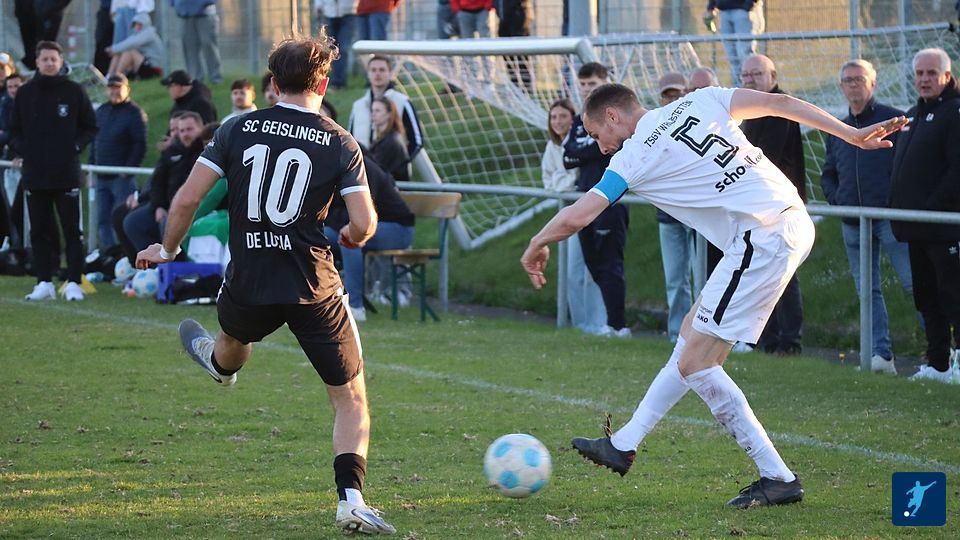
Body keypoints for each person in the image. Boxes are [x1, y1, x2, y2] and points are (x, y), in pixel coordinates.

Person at [521, 82, 905, 507]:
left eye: (597, 134)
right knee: (691, 333)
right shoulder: (700, 99)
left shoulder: (633, 156)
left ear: (613, 115)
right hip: (785, 220)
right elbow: (779, 103)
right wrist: (851, 134)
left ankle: (777, 477)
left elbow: (578, 215)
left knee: (698, 364)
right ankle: (624, 443)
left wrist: (537, 242)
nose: (600, 145)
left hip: (762, 234)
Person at [135, 33, 396, 535]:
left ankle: (218, 365)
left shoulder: (236, 127)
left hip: (249, 277)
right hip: (313, 286)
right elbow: (364, 223)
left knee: (233, 344)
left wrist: (166, 251)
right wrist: (354, 234)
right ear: (324, 84)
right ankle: (351, 500)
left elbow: (187, 199)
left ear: (273, 84)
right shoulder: (341, 141)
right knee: (349, 397)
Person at [820, 59, 913, 375]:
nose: (853, 85)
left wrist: (894, 201)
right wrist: (839, 200)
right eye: (847, 80)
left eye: (859, 78)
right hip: (853, 223)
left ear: (873, 83)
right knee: (867, 291)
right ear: (841, 87)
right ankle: (880, 356)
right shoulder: (838, 129)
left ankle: (942, 356)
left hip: (889, 219)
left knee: (914, 283)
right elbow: (829, 173)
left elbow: (908, 165)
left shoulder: (893, 120)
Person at [889, 48, 960, 384]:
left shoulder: (955, 112)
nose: (924, 79)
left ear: (947, 75)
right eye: (919, 73)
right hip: (915, 229)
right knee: (927, 298)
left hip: (945, 228)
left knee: (954, 296)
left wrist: (931, 208)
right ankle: (938, 365)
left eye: (932, 73)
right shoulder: (912, 115)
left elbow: (956, 171)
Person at [9, 41, 98, 301]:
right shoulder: (25, 93)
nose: (49, 63)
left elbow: (90, 126)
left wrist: (75, 146)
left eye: (53, 59)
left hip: (65, 173)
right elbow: (13, 130)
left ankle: (74, 282)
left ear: (60, 62)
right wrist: (23, 149)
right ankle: (44, 282)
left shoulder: (73, 91)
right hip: (35, 174)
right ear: (37, 62)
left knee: (72, 231)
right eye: (45, 59)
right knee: (39, 231)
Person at [740, 54, 806, 355]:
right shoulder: (751, 110)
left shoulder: (779, 107)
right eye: (745, 75)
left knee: (783, 276)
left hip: (780, 207)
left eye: (756, 74)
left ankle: (789, 342)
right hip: (759, 207)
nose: (750, 80)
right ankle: (766, 339)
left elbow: (762, 158)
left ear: (773, 76)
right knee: (761, 274)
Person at [563, 62, 630, 338]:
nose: (586, 89)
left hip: (609, 202)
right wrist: (586, 149)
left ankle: (618, 325)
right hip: (584, 200)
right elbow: (568, 156)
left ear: (605, 82)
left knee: (609, 265)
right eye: (583, 84)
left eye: (592, 83)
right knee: (591, 265)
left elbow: (602, 150)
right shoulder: (579, 119)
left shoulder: (614, 117)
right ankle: (600, 324)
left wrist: (584, 149)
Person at [543, 98, 606, 335]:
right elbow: (549, 180)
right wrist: (564, 184)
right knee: (572, 272)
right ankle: (580, 325)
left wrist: (567, 183)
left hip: (587, 210)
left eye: (563, 116)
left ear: (574, 119)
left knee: (592, 269)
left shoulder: (582, 143)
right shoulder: (552, 148)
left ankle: (597, 324)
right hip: (566, 212)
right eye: (553, 117)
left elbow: (580, 178)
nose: (558, 121)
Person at [656, 72, 703, 343]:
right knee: (674, 279)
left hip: (697, 214)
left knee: (702, 279)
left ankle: (701, 336)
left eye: (677, 94)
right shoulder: (653, 128)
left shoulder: (699, 122)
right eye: (668, 95)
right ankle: (678, 336)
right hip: (668, 215)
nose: (673, 99)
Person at [123, 112, 204, 254]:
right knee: (132, 222)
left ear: (200, 128)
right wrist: (159, 206)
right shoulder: (172, 151)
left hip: (191, 207)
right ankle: (149, 263)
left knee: (168, 224)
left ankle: (172, 264)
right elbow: (157, 182)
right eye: (182, 131)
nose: (185, 134)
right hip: (167, 205)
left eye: (189, 130)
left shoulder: (206, 153)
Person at [89, 73, 148, 249]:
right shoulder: (101, 111)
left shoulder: (134, 113)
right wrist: (91, 168)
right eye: (111, 87)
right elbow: (94, 142)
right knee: (102, 219)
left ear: (126, 89)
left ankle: (124, 254)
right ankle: (109, 253)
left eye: (118, 87)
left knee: (121, 218)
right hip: (100, 175)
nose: (114, 91)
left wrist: (128, 169)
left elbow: (140, 144)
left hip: (122, 178)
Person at [348, 55, 424, 159]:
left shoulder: (403, 102)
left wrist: (400, 164)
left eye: (382, 70)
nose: (377, 73)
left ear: (391, 74)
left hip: (392, 169)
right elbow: (349, 140)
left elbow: (417, 142)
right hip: (362, 168)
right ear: (368, 74)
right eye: (373, 70)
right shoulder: (358, 106)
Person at [705, 0, 765, 86]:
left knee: (745, 54)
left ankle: (753, 86)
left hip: (744, 11)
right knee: (732, 57)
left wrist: (747, 6)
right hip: (724, 11)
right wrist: (711, 6)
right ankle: (738, 87)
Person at [171, 0, 223, 84]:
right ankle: (195, 79)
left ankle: (215, 78)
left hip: (206, 13)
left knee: (209, 46)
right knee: (190, 48)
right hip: (185, 14)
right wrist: (176, 3)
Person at [14, 0, 73, 71]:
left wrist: (52, 7)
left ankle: (29, 65)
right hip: (26, 10)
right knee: (30, 43)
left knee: (45, 44)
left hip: (48, 12)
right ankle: (30, 67)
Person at [106, 12, 164, 79]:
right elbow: (128, 42)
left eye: (139, 24)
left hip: (155, 68)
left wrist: (113, 49)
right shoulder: (138, 34)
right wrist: (114, 49)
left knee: (130, 51)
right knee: (119, 52)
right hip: (145, 65)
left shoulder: (149, 33)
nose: (137, 26)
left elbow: (131, 43)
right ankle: (108, 76)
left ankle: (116, 77)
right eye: (135, 24)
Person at [315, 1, 357, 89]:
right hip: (328, 13)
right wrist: (318, 5)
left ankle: (339, 82)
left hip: (348, 13)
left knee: (343, 49)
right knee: (329, 49)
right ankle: (329, 81)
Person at [369, 97, 409, 181]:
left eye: (377, 111)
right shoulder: (383, 138)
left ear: (389, 114)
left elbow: (374, 169)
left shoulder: (391, 140)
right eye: (372, 110)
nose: (373, 114)